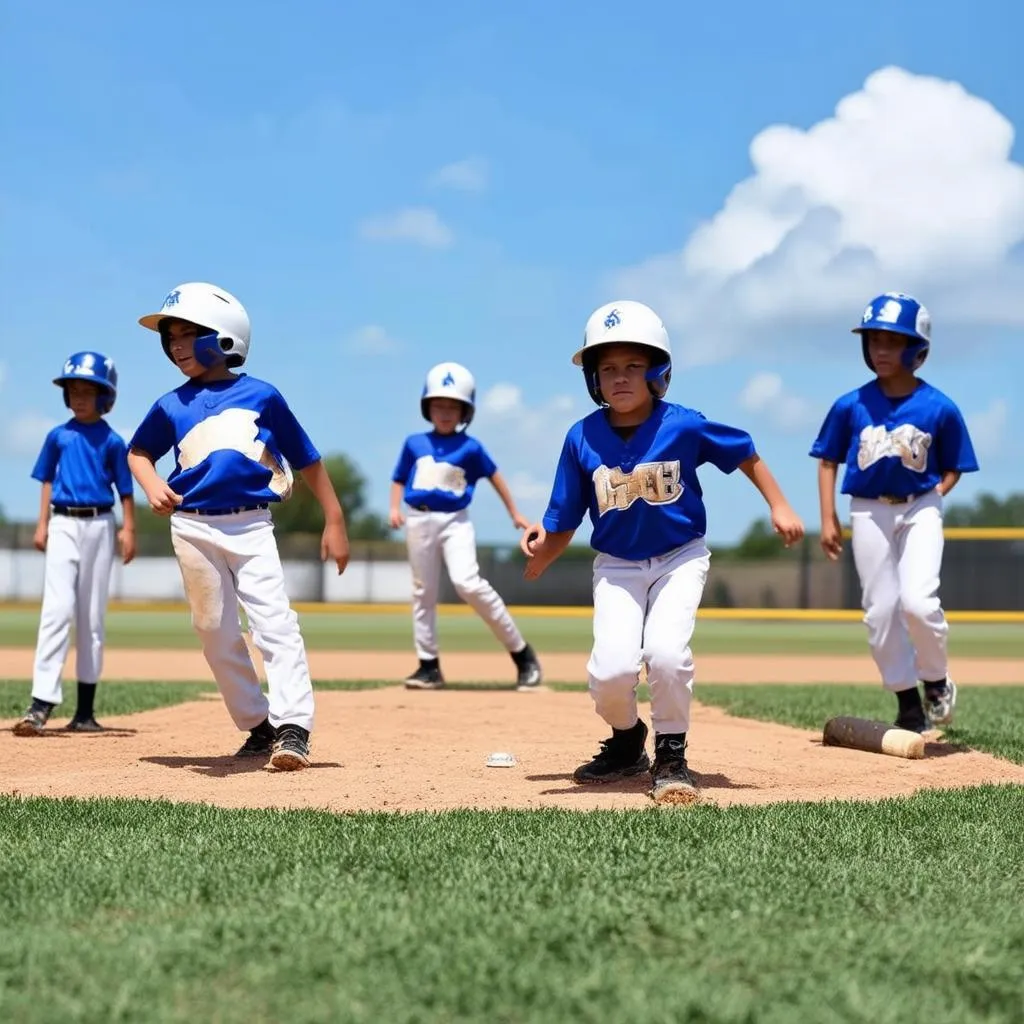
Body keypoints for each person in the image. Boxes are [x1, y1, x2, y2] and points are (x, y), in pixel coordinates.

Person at [520, 300, 804, 804]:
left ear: (659, 372)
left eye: (633, 366)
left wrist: (779, 504)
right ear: (593, 377)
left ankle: (672, 754)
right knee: (610, 673)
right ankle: (629, 741)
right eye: (608, 368)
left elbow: (744, 450)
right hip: (616, 566)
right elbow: (564, 516)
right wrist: (544, 546)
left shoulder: (683, 426)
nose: (621, 378)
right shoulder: (581, 437)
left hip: (680, 557)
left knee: (667, 655)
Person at [127, 282, 349, 771]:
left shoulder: (262, 396)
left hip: (250, 527)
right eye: (170, 338)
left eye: (188, 334)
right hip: (191, 528)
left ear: (226, 338)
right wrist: (149, 484)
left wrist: (334, 518)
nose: (176, 345)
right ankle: (257, 727)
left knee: (275, 624)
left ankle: (294, 730)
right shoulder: (171, 405)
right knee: (213, 631)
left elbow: (307, 459)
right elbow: (139, 452)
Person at [810, 292, 978, 733]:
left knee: (919, 602)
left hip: (920, 507)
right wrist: (828, 518)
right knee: (880, 610)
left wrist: (930, 496)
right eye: (874, 340)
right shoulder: (851, 405)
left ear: (917, 348)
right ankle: (908, 702)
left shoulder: (939, 407)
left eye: (893, 341)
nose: (881, 350)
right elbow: (828, 459)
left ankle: (937, 681)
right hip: (867, 510)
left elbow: (954, 466)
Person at [389, 361, 543, 691]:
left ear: (465, 412)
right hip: (418, 518)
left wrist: (514, 512)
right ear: (427, 407)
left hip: (455, 521)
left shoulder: (470, 447)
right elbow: (399, 478)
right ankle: (428, 666)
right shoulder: (415, 443)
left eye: (453, 407)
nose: (445, 412)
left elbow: (495, 476)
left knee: (467, 583)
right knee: (423, 593)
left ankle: (522, 654)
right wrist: (393, 508)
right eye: (439, 405)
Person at [14, 352, 136, 736]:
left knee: (91, 617)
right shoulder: (58, 435)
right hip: (64, 522)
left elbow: (125, 490)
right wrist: (42, 523)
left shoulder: (114, 441)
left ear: (106, 397)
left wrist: (128, 529)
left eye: (88, 391)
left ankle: (85, 712)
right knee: (57, 608)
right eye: (73, 390)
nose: (80, 397)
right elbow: (46, 480)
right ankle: (40, 704)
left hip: (100, 523)